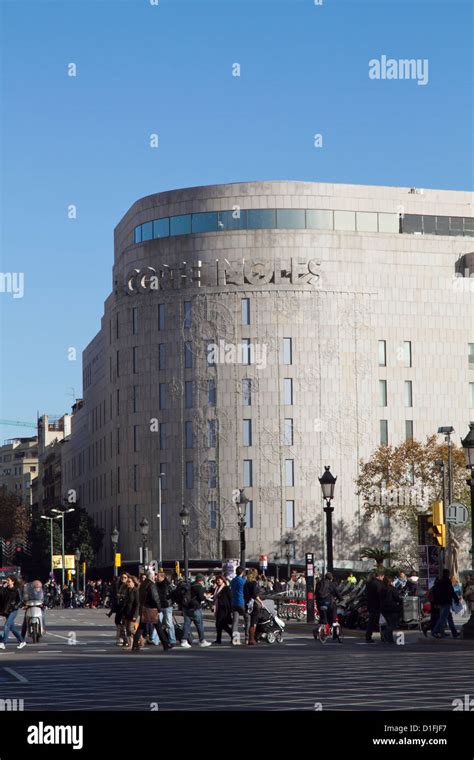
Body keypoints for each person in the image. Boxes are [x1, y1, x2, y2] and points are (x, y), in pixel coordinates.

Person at [132, 570, 172, 651]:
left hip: (144, 607)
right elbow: (155, 598)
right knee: (158, 626)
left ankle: (135, 644)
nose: (155, 577)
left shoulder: (143, 584)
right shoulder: (151, 584)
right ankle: (166, 644)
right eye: (154, 575)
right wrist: (159, 608)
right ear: (152, 576)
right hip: (151, 608)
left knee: (141, 627)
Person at [180, 574, 212, 648]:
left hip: (186, 608)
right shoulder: (199, 586)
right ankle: (202, 640)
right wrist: (206, 597)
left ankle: (184, 640)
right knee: (199, 624)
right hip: (195, 608)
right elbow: (201, 598)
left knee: (186, 624)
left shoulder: (189, 585)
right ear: (202, 580)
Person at [431, 569, 461, 639]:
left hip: (441, 602)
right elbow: (451, 591)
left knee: (449, 618)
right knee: (443, 618)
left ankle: (454, 633)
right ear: (447, 574)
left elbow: (436, 593)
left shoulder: (439, 582)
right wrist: (456, 599)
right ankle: (435, 631)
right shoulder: (447, 581)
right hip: (446, 602)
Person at [0, 576, 26, 650]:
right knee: (12, 627)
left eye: (8, 580)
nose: (7, 582)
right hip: (7, 610)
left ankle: (3, 642)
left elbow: (20, 600)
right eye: (7, 580)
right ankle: (22, 641)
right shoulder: (5, 589)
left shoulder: (16, 590)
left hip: (13, 610)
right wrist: (2, 587)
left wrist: (15, 606)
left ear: (13, 581)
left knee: (6, 625)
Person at [244, 568, 264, 645]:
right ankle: (252, 638)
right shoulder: (254, 583)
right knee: (254, 622)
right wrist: (261, 602)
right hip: (253, 604)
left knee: (248, 621)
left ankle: (248, 637)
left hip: (247, 603)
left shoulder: (246, 583)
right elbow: (255, 595)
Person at [156, 571, 176, 646]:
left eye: (158, 576)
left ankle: (172, 640)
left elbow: (173, 593)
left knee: (169, 623)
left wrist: (170, 600)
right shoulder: (155, 584)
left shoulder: (168, 584)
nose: (156, 578)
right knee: (158, 623)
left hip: (167, 606)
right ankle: (157, 640)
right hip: (160, 606)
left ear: (162, 577)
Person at [379, 577, 401, 644]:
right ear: (390, 582)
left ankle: (389, 639)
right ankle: (385, 633)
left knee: (389, 623)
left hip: (383, 609)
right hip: (392, 608)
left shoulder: (381, 589)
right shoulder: (392, 589)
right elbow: (397, 598)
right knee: (393, 624)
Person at [230, 566, 249, 645]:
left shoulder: (233, 581)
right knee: (247, 618)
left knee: (235, 621)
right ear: (242, 572)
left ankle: (235, 639)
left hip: (234, 602)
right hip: (241, 602)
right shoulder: (243, 581)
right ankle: (247, 637)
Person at [365, 569, 384, 643]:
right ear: (379, 576)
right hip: (377, 605)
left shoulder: (368, 583)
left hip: (370, 604)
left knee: (371, 621)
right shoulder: (378, 584)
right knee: (382, 621)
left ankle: (368, 636)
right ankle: (383, 637)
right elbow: (380, 594)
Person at [212, 575, 233, 644]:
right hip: (219, 608)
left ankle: (220, 639)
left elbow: (230, 598)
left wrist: (231, 609)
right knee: (220, 624)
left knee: (220, 623)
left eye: (219, 580)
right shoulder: (216, 588)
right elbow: (214, 597)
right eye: (217, 580)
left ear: (223, 580)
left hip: (224, 608)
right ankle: (219, 639)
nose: (218, 581)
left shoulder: (226, 588)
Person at [121, 576, 139, 649]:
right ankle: (130, 644)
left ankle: (139, 639)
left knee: (131, 628)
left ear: (134, 582)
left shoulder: (136, 591)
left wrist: (135, 615)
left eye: (129, 581)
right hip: (127, 612)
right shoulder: (128, 590)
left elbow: (138, 604)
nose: (127, 583)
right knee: (127, 630)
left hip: (133, 613)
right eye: (127, 581)